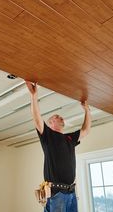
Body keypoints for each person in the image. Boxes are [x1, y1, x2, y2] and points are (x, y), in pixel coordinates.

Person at [26, 81, 91, 212]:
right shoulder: (48, 136)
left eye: (60, 117)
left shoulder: (70, 138)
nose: (60, 117)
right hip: (56, 193)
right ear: (50, 123)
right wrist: (33, 96)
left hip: (71, 192)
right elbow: (37, 119)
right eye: (56, 117)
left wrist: (87, 111)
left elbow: (85, 130)